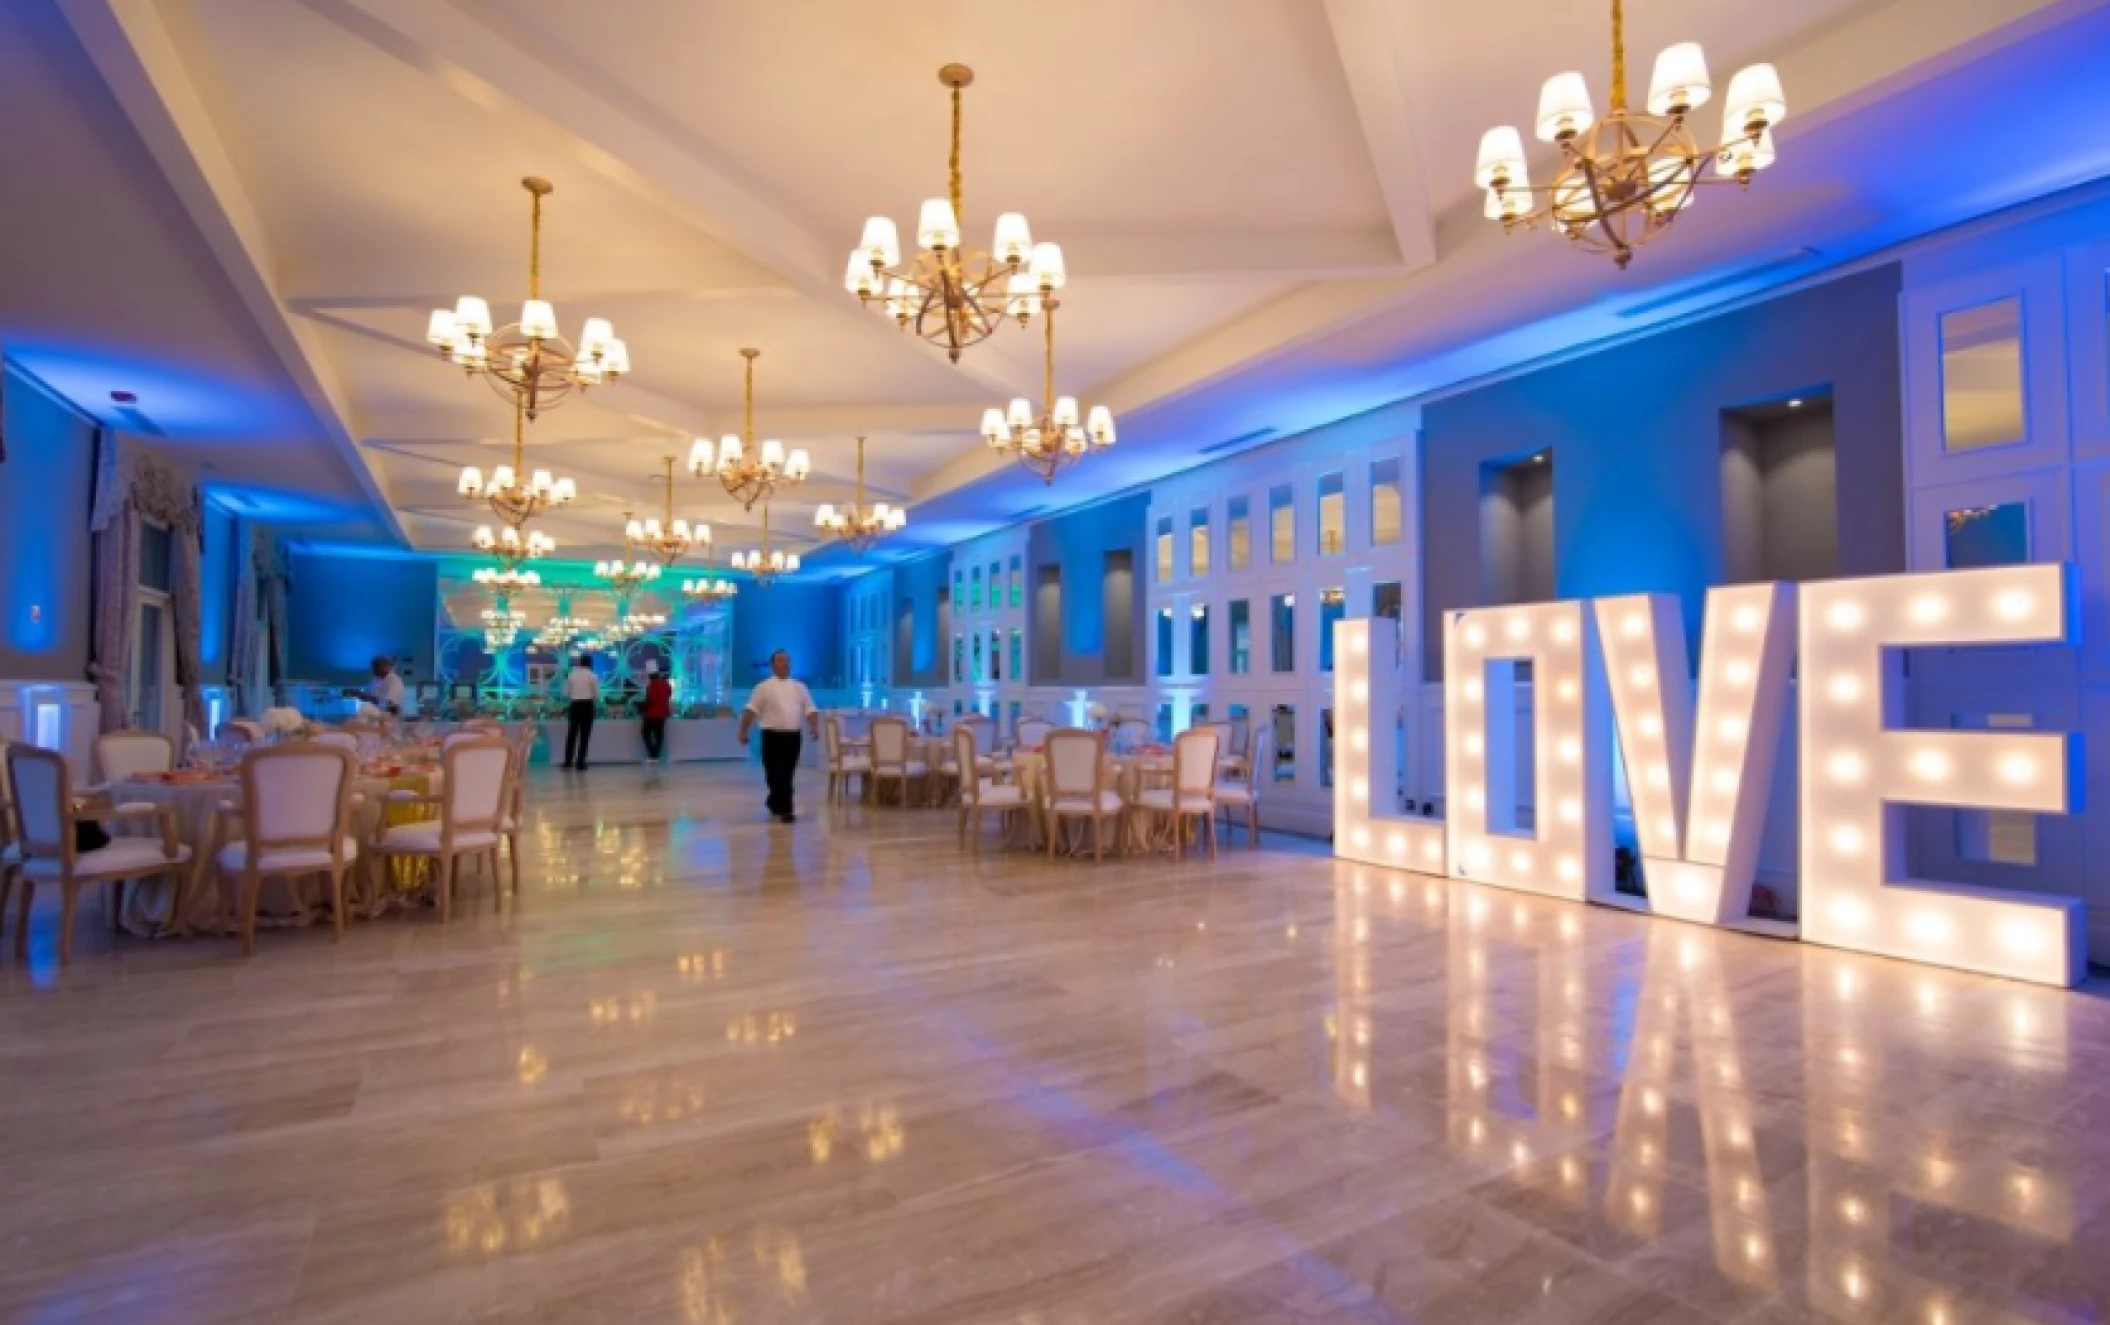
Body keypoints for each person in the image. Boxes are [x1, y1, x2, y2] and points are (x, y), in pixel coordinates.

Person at [737, 649, 818, 823]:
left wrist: (813, 727)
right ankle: (774, 799)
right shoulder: (763, 687)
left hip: (793, 737)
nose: (785, 664)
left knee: (787, 773)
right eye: (781, 660)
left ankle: (786, 810)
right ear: (773, 665)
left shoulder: (799, 687)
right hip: (771, 736)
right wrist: (743, 730)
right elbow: (751, 710)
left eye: (787, 660)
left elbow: (810, 709)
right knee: (773, 774)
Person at [562, 654, 600, 770]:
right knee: (584, 736)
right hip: (587, 706)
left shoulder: (571, 675)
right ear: (590, 664)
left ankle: (568, 762)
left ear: (580, 663)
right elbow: (596, 695)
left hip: (574, 706)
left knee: (571, 735)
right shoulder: (593, 676)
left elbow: (565, 693)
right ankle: (580, 763)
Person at [640, 661, 673, 761]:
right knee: (659, 734)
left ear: (650, 675)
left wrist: (641, 707)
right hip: (663, 713)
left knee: (646, 733)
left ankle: (653, 754)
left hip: (651, 714)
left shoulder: (651, 686)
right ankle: (656, 754)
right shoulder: (666, 684)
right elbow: (668, 695)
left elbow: (650, 700)